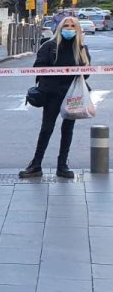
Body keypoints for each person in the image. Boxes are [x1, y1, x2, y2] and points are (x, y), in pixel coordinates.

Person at [20, 16, 91, 179]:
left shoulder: (81, 48)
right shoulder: (50, 46)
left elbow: (86, 74)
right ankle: (36, 164)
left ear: (78, 29)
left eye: (73, 26)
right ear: (60, 28)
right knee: (46, 129)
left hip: (72, 95)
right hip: (52, 95)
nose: (69, 28)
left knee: (68, 130)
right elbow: (39, 67)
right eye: (66, 25)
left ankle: (62, 165)